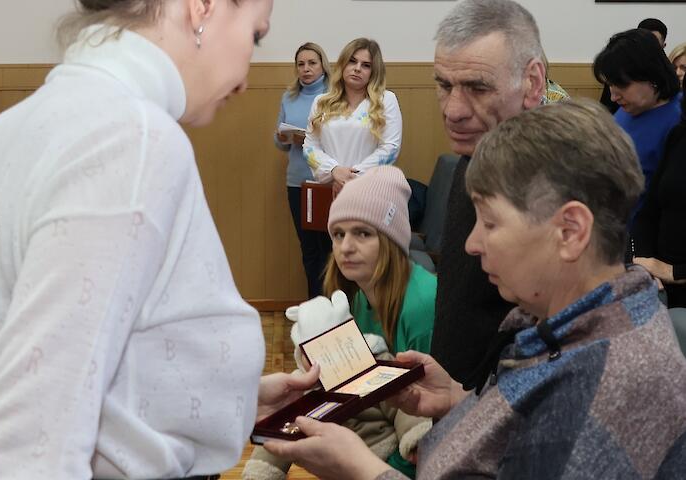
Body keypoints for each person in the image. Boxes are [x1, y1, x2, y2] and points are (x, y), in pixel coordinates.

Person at [0, 0, 285, 478]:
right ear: (202, 6)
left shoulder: (15, 124)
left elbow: (83, 359)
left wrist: (221, 399)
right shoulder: (133, 137)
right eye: (256, 35)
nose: (246, 79)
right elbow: (27, 452)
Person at [264, 99, 686, 480]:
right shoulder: (561, 329)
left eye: (490, 222)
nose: (471, 244)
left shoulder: (612, 385)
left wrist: (363, 470)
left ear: (570, 231)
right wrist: (459, 399)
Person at [244, 166, 437, 479]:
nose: (345, 247)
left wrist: (359, 469)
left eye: (363, 233)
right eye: (338, 234)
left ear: (390, 239)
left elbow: (431, 428)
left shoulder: (422, 304)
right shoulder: (357, 297)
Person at [426, 0, 546, 386]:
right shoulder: (476, 151)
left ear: (532, 83)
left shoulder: (558, 181)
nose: (453, 111)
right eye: (444, 86)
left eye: (478, 88)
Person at [593, 28, 682, 223]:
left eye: (622, 85)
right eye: (610, 85)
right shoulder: (629, 109)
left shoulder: (678, 121)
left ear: (652, 77)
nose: (613, 96)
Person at [304, 38, 403, 195]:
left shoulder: (386, 100)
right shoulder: (321, 102)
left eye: (366, 65)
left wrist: (351, 177)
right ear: (343, 64)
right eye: (352, 61)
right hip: (329, 187)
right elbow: (310, 147)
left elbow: (390, 148)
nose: (357, 69)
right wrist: (334, 170)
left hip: (370, 189)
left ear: (374, 72)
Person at [273, 42, 332, 299]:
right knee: (309, 250)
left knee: (331, 249)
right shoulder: (289, 97)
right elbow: (280, 143)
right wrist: (283, 137)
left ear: (323, 66)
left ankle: (338, 309)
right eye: (301, 64)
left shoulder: (334, 96)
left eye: (312, 63)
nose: (306, 69)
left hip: (327, 182)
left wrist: (310, 140)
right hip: (297, 183)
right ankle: (316, 307)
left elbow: (341, 140)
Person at [632, 78, 686, 307]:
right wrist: (644, 261)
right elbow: (649, 211)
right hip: (659, 279)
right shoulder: (679, 136)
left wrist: (675, 272)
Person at [600, 18, 668, 114]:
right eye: (643, 44)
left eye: (654, 45)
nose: (647, 50)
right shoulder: (619, 69)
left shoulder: (671, 73)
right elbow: (606, 108)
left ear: (663, 46)